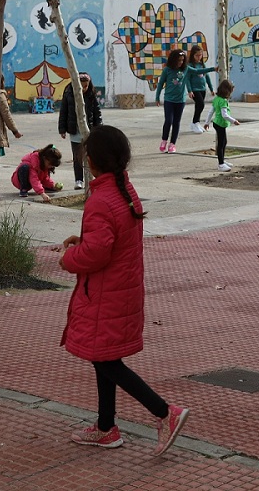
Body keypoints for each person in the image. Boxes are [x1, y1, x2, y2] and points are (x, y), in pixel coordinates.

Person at [59, 125, 190, 454]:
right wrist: (85, 241)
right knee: (103, 356)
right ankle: (106, 428)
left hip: (104, 295)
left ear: (91, 161)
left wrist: (70, 257)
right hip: (121, 290)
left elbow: (98, 252)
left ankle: (164, 413)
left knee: (105, 362)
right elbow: (110, 241)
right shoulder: (124, 191)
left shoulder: (101, 199)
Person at [59, 73, 102, 189]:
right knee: (77, 157)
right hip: (74, 130)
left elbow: (97, 112)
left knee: (90, 156)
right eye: (81, 86)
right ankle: (78, 180)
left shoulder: (91, 95)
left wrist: (98, 128)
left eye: (86, 86)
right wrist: (62, 129)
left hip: (89, 130)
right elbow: (63, 111)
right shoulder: (68, 93)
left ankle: (93, 179)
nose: (84, 88)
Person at [154, 48, 189, 153]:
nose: (180, 62)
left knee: (176, 122)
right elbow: (160, 84)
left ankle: (172, 144)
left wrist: (213, 69)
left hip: (181, 100)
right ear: (173, 60)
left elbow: (197, 71)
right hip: (169, 100)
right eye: (178, 60)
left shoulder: (185, 69)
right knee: (168, 120)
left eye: (182, 60)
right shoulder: (167, 70)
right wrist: (157, 97)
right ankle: (164, 140)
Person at [186, 45, 217, 133]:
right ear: (192, 55)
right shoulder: (190, 66)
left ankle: (196, 123)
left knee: (198, 106)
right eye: (197, 55)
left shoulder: (202, 65)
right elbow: (187, 79)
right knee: (201, 104)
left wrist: (211, 89)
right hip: (195, 89)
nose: (199, 57)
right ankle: (195, 122)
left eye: (200, 55)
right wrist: (189, 90)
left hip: (202, 88)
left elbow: (207, 78)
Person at [211, 79, 240, 172]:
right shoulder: (223, 101)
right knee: (221, 144)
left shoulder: (216, 99)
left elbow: (211, 111)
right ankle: (221, 164)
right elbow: (224, 115)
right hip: (220, 124)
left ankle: (222, 160)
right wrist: (234, 121)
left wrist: (207, 122)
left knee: (224, 142)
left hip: (217, 123)